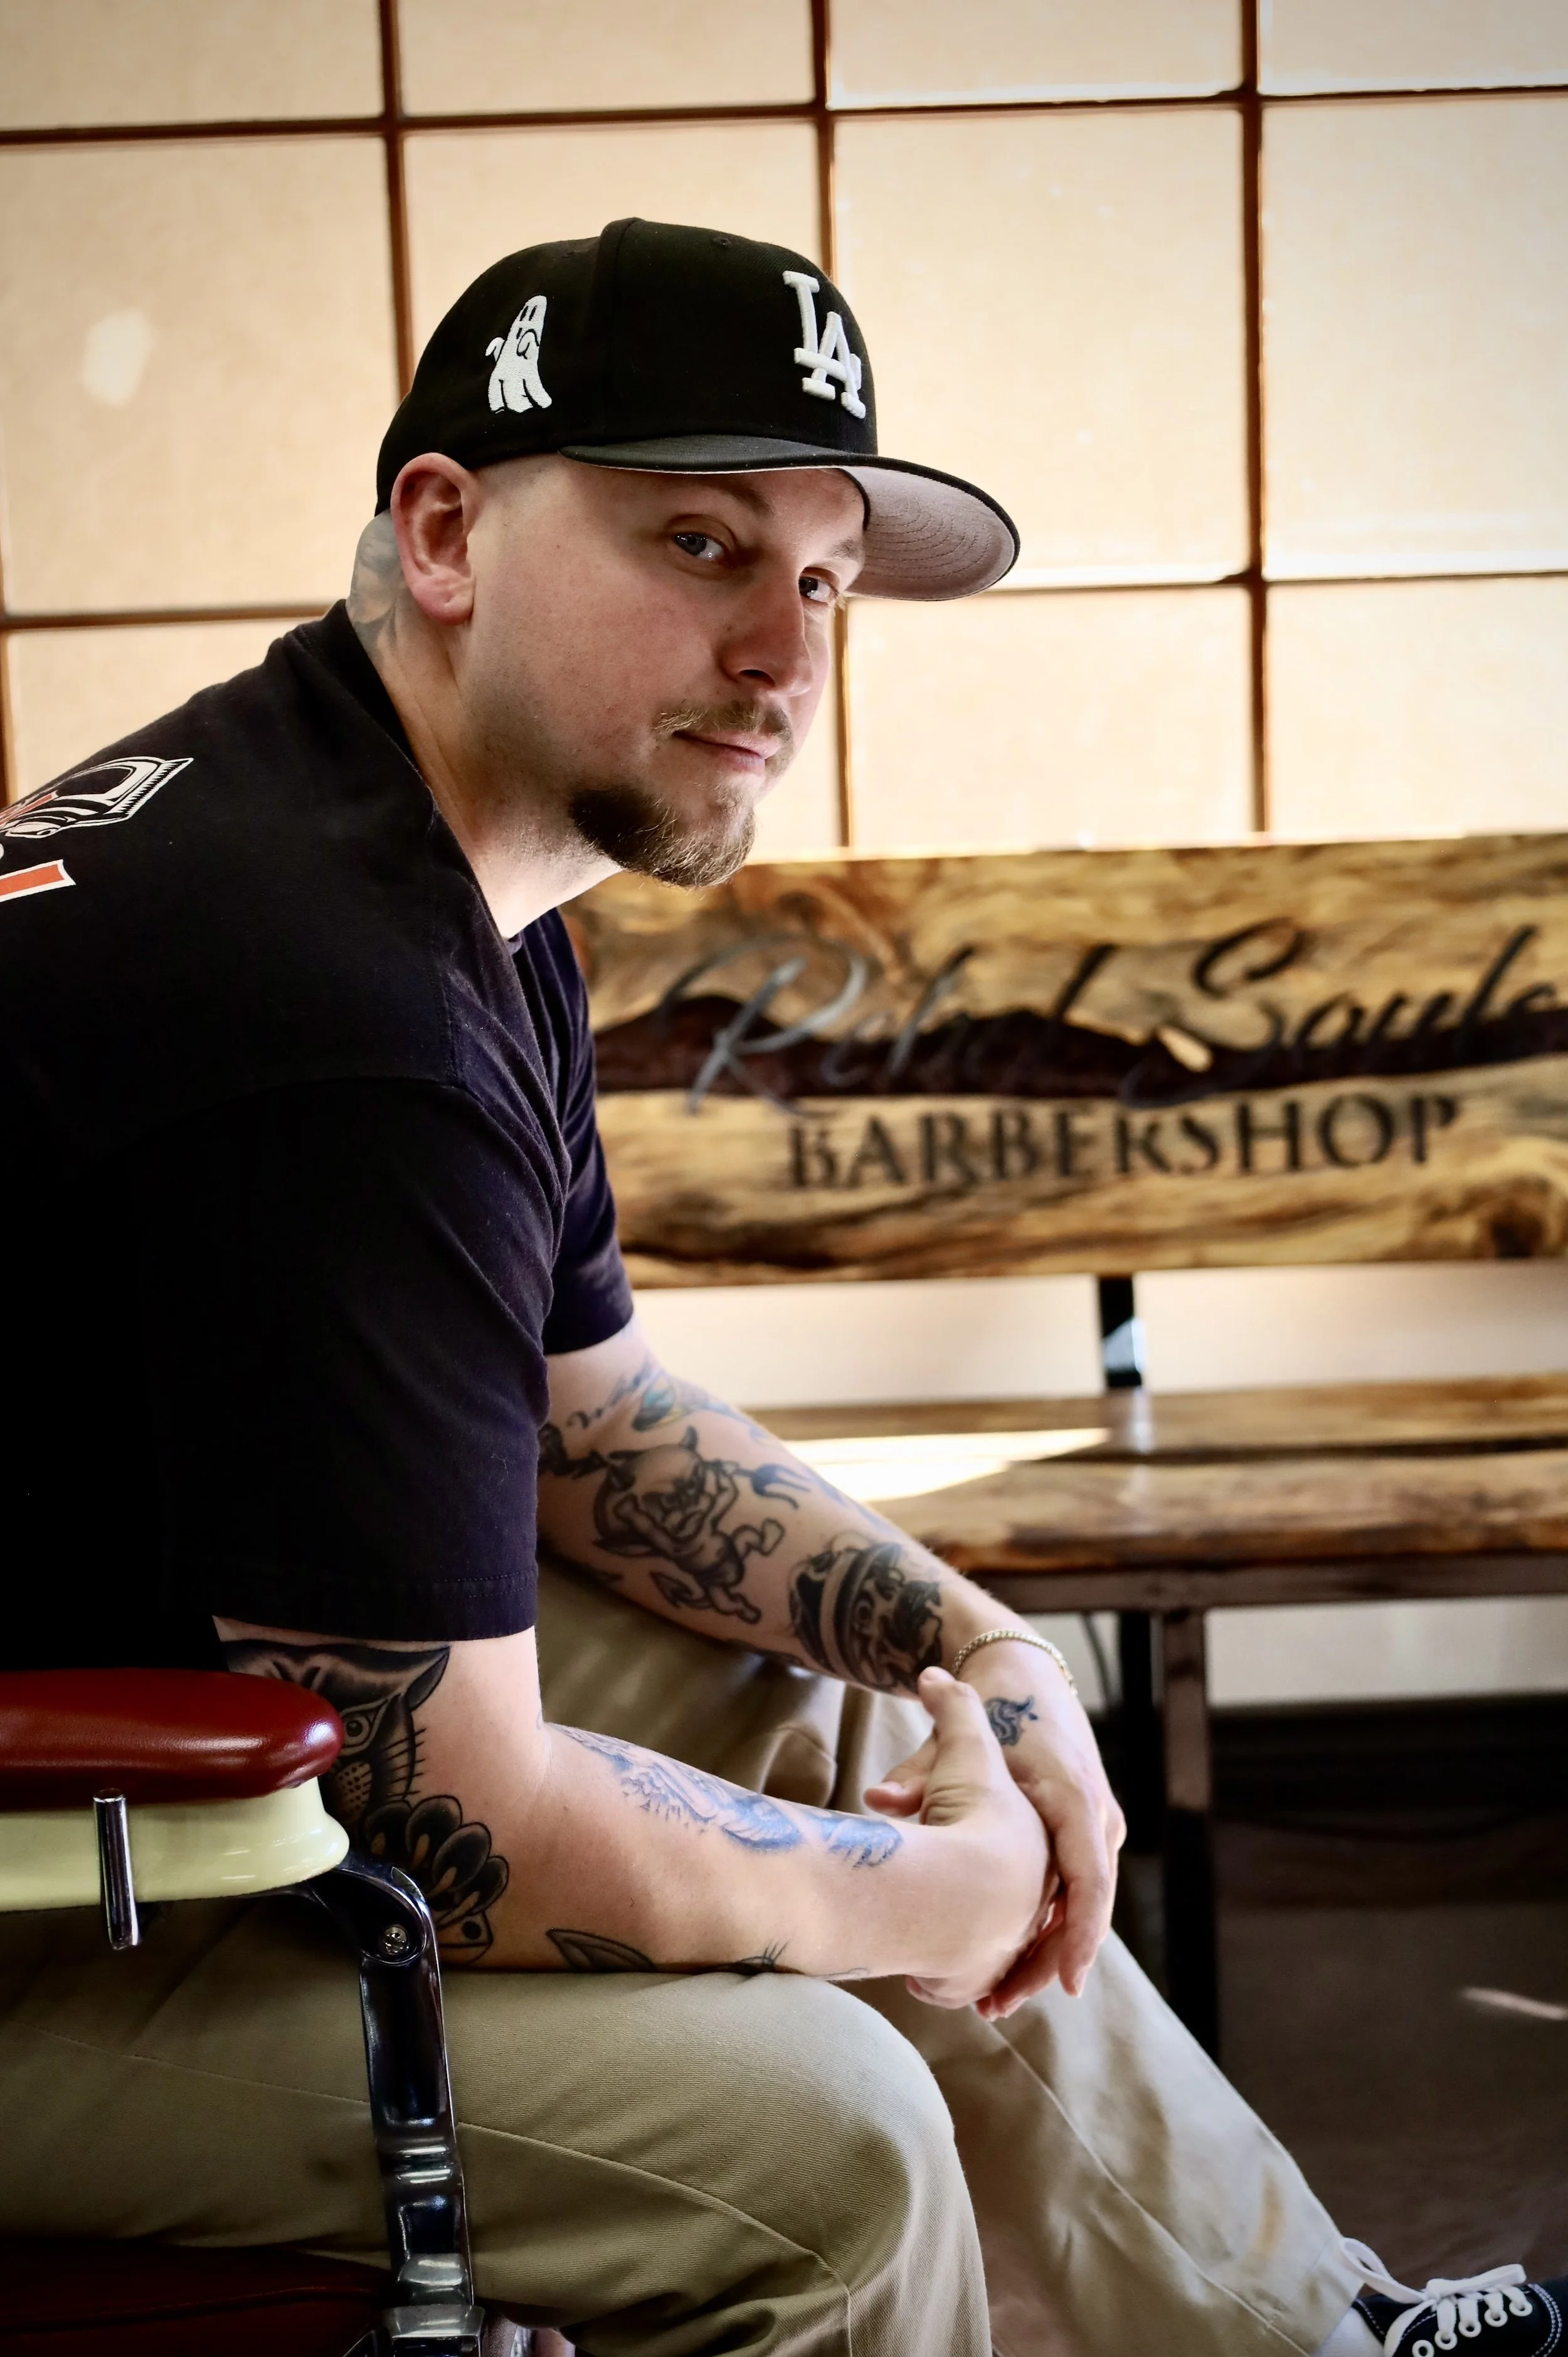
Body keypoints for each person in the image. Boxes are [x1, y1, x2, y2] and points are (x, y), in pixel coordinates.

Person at [0, 217, 1558, 2357]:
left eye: (821, 577)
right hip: (45, 1905)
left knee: (861, 1713)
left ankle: (1304, 2333)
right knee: (813, 2127)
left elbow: (599, 1423)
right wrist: (914, 1903)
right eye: (702, 544)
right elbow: (453, 1820)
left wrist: (977, 1638)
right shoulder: (322, 997)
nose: (786, 652)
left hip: (145, 1756)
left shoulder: (422, 849)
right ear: (444, 530)